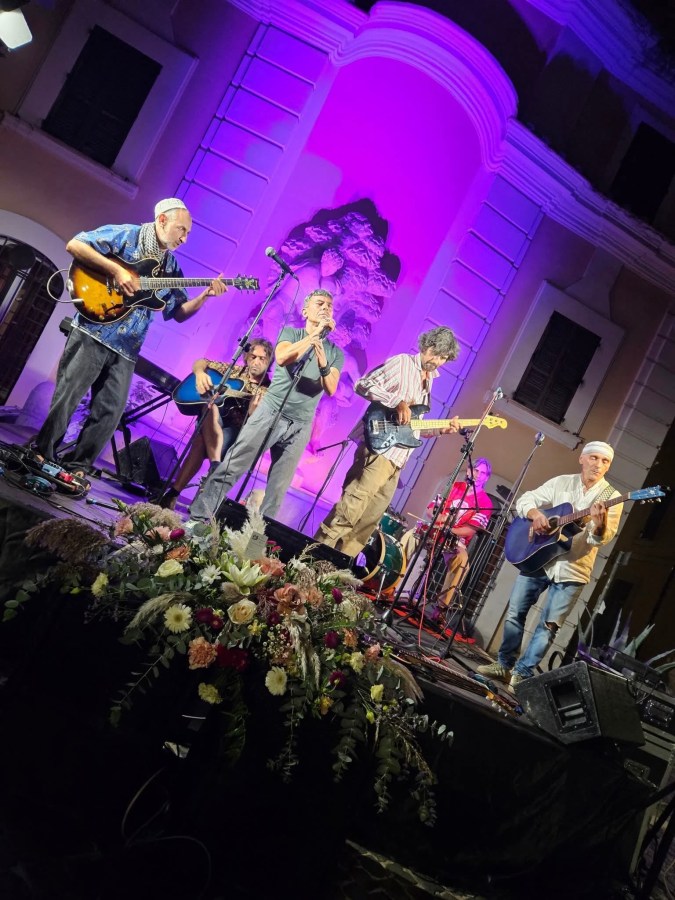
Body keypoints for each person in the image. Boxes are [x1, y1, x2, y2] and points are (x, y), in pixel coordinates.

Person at [34, 199, 226, 477]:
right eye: (180, 230)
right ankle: (42, 454)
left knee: (110, 412)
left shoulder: (170, 266)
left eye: (187, 234)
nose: (184, 238)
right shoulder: (127, 235)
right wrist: (117, 270)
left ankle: (77, 468)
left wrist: (205, 296)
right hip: (94, 329)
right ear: (162, 220)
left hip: (127, 348)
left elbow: (179, 312)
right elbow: (75, 245)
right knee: (68, 398)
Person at [188, 289, 344, 522]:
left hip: (301, 424)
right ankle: (198, 519)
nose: (325, 308)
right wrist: (314, 337)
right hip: (271, 411)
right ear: (305, 310)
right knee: (233, 466)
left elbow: (330, 387)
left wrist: (321, 353)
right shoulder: (291, 333)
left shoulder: (335, 353)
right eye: (320, 303)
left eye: (330, 306)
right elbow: (282, 358)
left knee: (277, 490)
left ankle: (254, 546)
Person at [478, 441, 622, 691]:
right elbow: (528, 498)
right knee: (515, 612)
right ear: (582, 459)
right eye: (594, 458)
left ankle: (522, 674)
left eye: (605, 461)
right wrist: (536, 515)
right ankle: (503, 665)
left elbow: (599, 539)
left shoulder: (612, 498)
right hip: (539, 559)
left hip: (573, 569)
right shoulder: (561, 482)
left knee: (548, 626)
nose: (598, 465)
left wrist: (598, 525)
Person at [315, 327, 461, 558]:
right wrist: (397, 401)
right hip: (379, 450)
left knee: (368, 522)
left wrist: (440, 429)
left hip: (397, 460)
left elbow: (410, 425)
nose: (437, 360)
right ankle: (313, 557)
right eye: (435, 352)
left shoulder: (428, 382)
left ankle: (336, 570)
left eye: (443, 357)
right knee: (351, 509)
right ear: (426, 346)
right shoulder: (403, 364)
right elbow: (363, 385)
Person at [159, 339, 273, 509]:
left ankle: (173, 494)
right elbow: (202, 362)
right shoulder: (235, 371)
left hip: (234, 431)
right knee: (208, 407)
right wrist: (200, 374)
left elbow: (254, 422)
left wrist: (252, 412)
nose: (255, 361)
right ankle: (214, 466)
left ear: (269, 361)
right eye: (253, 356)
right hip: (213, 421)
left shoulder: (267, 390)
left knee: (200, 442)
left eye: (261, 359)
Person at [401, 457, 493, 623]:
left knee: (462, 561)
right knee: (410, 536)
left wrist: (449, 529)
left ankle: (441, 608)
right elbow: (431, 510)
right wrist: (440, 519)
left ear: (486, 478)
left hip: (456, 540)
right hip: (435, 531)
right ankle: (399, 586)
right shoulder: (454, 487)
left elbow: (469, 529)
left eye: (482, 472)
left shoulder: (485, 502)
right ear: (469, 470)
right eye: (475, 469)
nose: (477, 474)